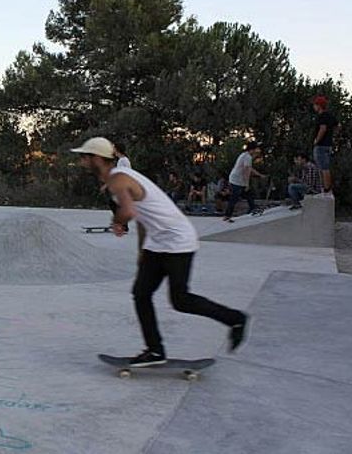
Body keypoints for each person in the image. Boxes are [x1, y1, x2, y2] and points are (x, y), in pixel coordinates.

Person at [72, 137, 248, 366]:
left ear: (97, 159)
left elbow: (128, 211)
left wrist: (116, 221)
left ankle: (236, 319)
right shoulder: (117, 179)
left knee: (180, 300)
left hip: (178, 241)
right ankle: (155, 351)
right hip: (157, 242)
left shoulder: (118, 179)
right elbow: (143, 216)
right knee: (141, 293)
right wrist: (142, 250)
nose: (81, 161)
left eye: (84, 157)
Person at [223, 141, 267, 222]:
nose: (257, 151)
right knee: (234, 197)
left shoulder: (245, 155)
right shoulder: (248, 157)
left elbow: (250, 169)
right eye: (256, 149)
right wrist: (247, 184)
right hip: (237, 180)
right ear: (252, 149)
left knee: (249, 194)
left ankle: (253, 209)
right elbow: (247, 171)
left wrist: (260, 175)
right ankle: (227, 215)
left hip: (236, 178)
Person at [312, 95, 339, 195]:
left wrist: (317, 140)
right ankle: (326, 188)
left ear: (319, 106)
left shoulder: (322, 116)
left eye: (315, 105)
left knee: (323, 167)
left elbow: (323, 128)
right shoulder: (330, 116)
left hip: (321, 145)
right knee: (325, 166)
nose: (314, 107)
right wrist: (332, 136)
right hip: (328, 145)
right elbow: (337, 126)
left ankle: (326, 188)